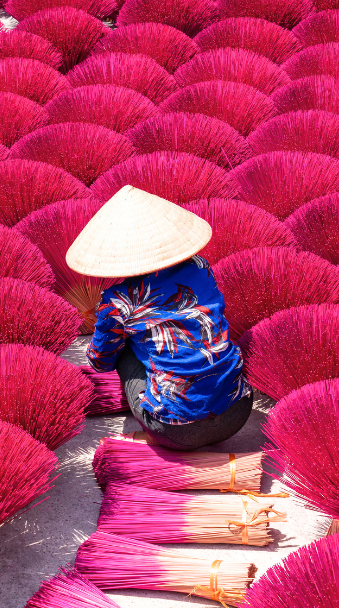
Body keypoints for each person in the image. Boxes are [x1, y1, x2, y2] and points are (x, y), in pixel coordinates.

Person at [65, 185, 253, 451]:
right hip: (238, 409)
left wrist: (115, 330)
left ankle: (159, 400)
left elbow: (100, 362)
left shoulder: (118, 301)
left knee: (122, 344)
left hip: (176, 430)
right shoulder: (200, 266)